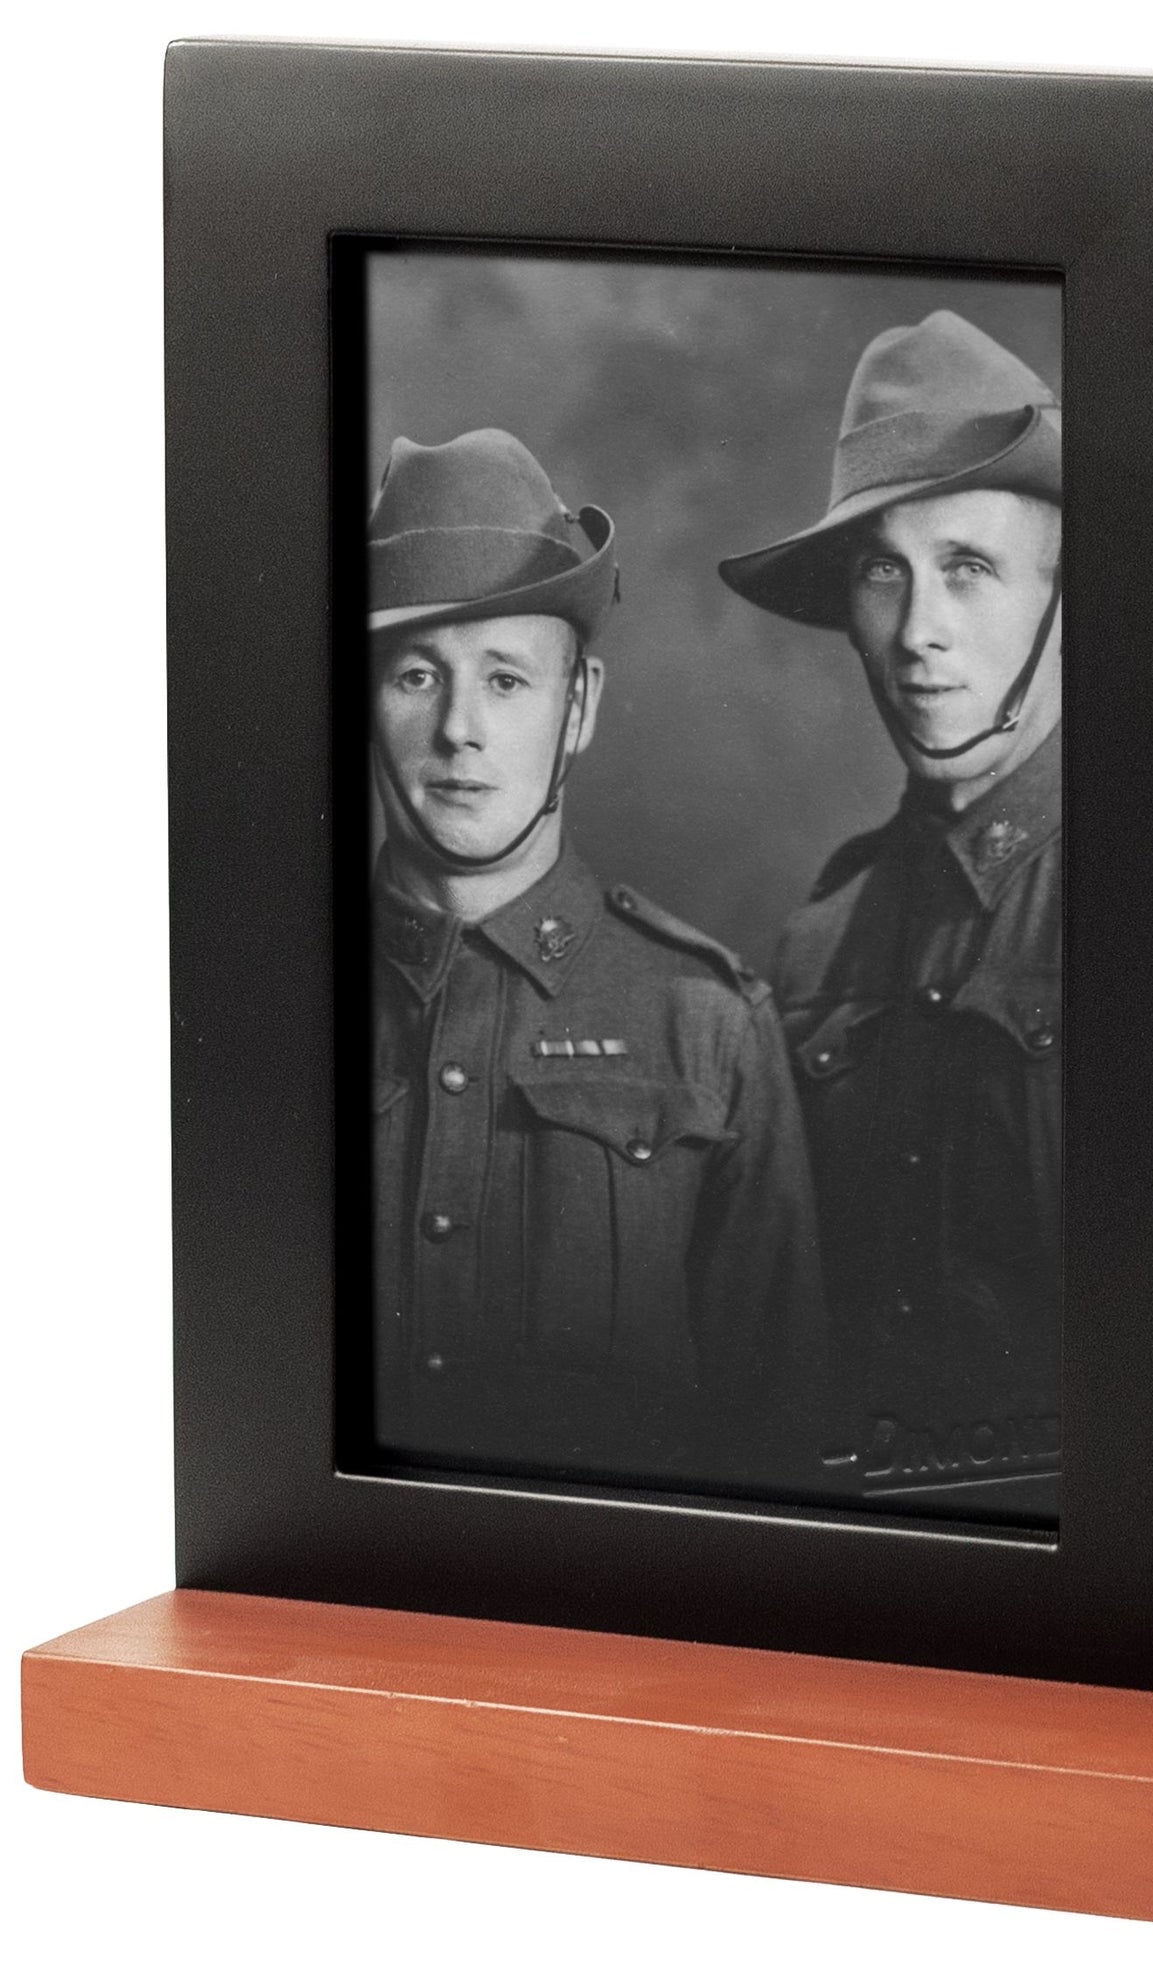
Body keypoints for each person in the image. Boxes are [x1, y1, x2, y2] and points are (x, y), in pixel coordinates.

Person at [369, 427, 822, 1493]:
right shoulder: (262, 1005)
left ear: (582, 706)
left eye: (509, 680)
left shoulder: (703, 1020)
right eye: (417, 673)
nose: (460, 730)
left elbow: (784, 1437)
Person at [720, 312, 1064, 1521]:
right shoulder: (819, 938)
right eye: (885, 570)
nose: (921, 632)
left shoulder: (1149, 899)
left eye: (968, 566)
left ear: (1064, 594)